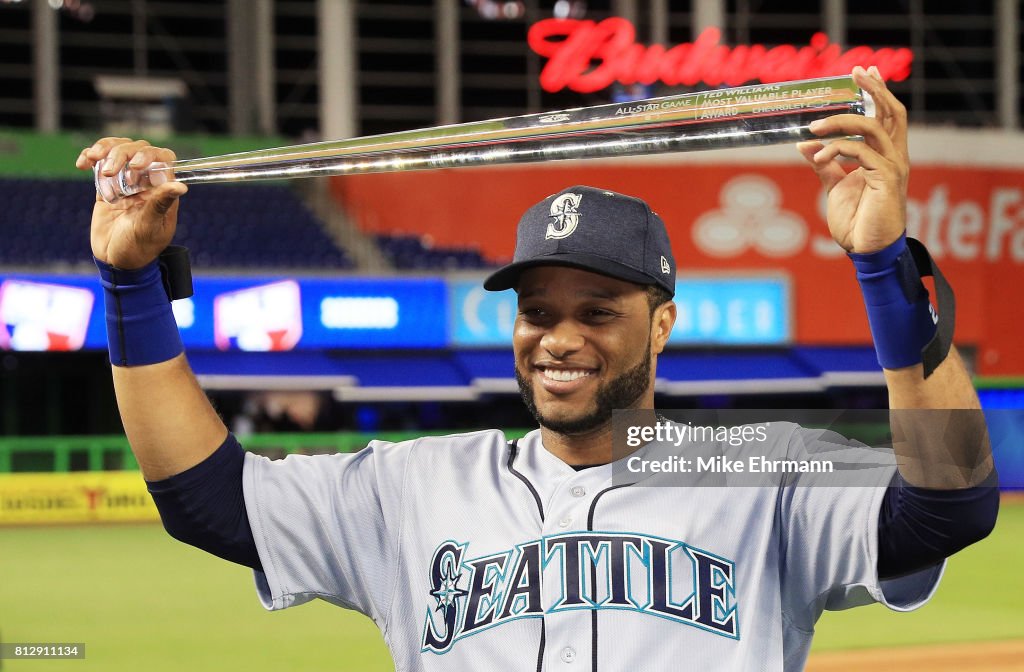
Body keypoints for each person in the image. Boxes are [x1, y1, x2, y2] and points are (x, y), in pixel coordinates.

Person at [77, 66, 997, 670]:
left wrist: (881, 265)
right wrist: (129, 282)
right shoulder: (410, 487)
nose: (559, 338)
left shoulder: (762, 470)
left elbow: (950, 503)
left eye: (598, 311)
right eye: (537, 311)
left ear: (664, 323)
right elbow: (204, 499)